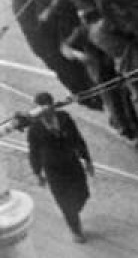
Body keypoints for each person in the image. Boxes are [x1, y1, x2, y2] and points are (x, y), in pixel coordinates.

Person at [27, 92, 94, 243]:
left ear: (52, 106)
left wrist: (87, 160)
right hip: (53, 169)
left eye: (47, 107)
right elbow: (33, 152)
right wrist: (37, 173)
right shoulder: (35, 128)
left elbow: (77, 138)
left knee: (83, 193)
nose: (44, 112)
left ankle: (73, 213)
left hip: (71, 162)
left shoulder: (64, 118)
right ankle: (75, 229)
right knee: (65, 201)